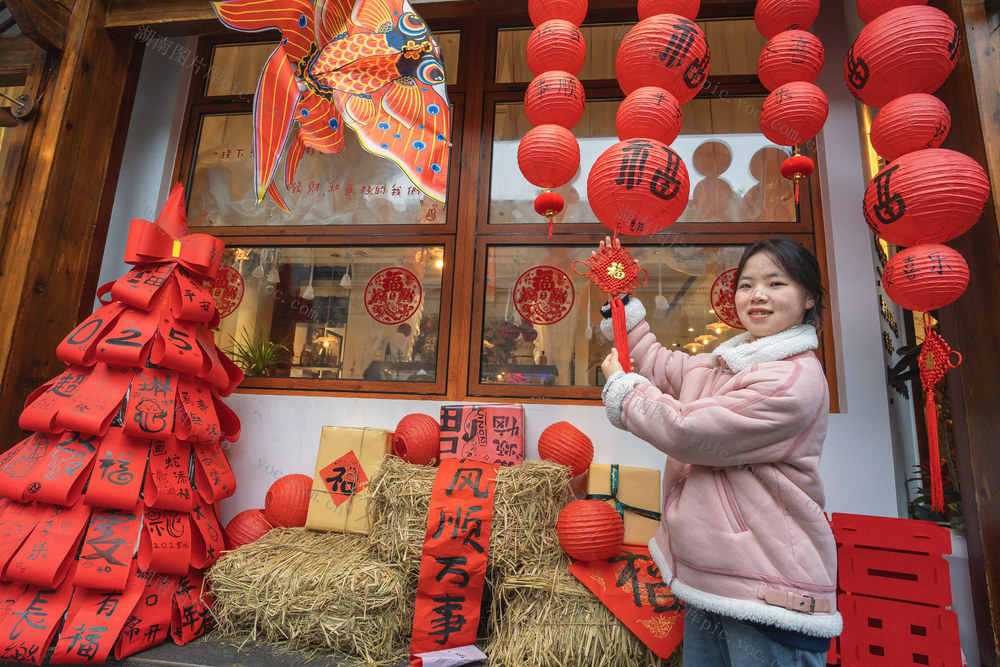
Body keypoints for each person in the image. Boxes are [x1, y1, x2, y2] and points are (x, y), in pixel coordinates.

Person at [599, 235, 841, 666]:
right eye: (746, 285)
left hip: (768, 593)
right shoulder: (726, 364)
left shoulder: (791, 381)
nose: (757, 296)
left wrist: (625, 392)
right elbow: (659, 364)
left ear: (808, 298)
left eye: (776, 283)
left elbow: (688, 430)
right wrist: (622, 310)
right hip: (714, 580)